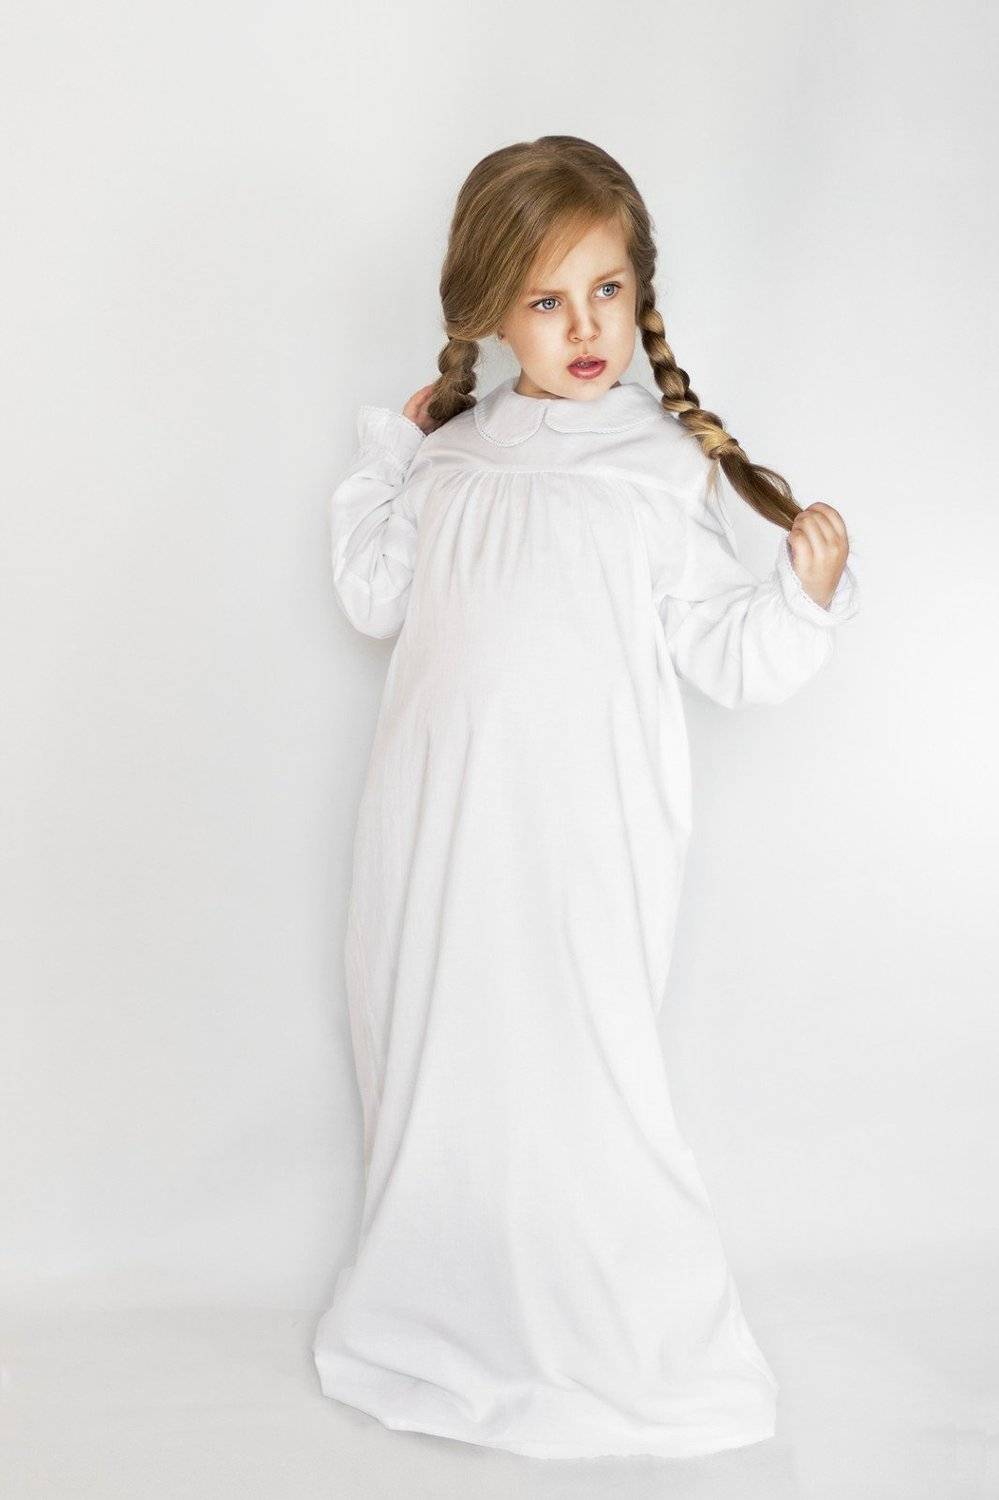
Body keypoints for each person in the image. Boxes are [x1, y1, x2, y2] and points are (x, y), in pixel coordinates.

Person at [312, 135, 861, 1461]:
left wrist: (800, 597)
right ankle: (440, 1313)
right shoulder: (455, 463)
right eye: (548, 300)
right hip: (434, 845)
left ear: (640, 292)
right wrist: (392, 451)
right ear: (492, 315)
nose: (584, 328)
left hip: (584, 847)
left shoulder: (662, 470)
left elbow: (726, 651)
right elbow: (373, 596)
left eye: (607, 291)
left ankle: (618, 1330)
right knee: (445, 1074)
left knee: (579, 1081)